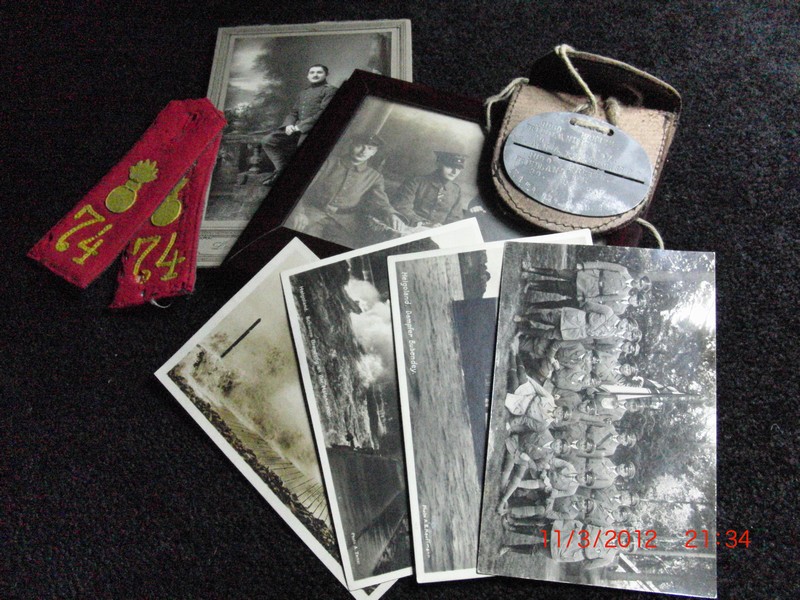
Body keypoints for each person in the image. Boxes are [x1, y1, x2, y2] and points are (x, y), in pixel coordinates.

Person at [284, 133, 402, 246]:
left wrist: (391, 214)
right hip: (312, 214)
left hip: (344, 223)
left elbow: (381, 201)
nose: (364, 151)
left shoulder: (374, 177)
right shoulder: (327, 162)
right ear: (351, 144)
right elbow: (300, 188)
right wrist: (298, 212)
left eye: (370, 148)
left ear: (374, 153)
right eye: (359, 146)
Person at [260, 64, 338, 185]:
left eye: (319, 72)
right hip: (298, 129)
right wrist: (289, 125)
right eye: (312, 72)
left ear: (326, 75)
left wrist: (299, 127)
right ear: (308, 76)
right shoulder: (304, 93)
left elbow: (324, 113)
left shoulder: (330, 90)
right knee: (268, 141)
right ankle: (281, 170)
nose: (315, 75)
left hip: (317, 129)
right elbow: (293, 112)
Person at [392, 151, 468, 227]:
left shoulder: (456, 190)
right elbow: (402, 207)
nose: (454, 172)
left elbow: (455, 218)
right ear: (438, 164)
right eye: (450, 166)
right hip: (412, 226)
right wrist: (425, 223)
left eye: (458, 169)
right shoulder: (416, 182)